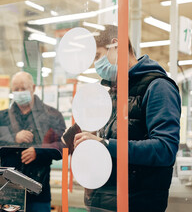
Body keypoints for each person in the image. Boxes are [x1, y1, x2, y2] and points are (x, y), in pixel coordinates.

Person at [63, 25, 181, 212]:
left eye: (97, 56)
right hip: (105, 202)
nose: (96, 65)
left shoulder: (158, 87)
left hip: (137, 204)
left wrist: (105, 143)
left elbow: (165, 150)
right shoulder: (113, 93)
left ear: (116, 45)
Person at [0, 71, 66, 212]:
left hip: (38, 193)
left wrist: (39, 152)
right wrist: (13, 138)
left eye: (24, 88)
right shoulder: (2, 117)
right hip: (7, 192)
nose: (20, 92)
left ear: (33, 88)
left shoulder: (52, 115)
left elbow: (63, 147)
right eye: (16, 89)